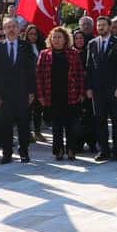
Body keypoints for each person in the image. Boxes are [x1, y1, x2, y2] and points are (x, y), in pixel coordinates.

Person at [0, 17, 36, 164]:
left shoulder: (26, 46)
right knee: (6, 126)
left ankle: (24, 152)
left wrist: (31, 92)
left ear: (19, 29)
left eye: (14, 26)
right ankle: (7, 154)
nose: (11, 29)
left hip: (23, 94)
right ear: (4, 30)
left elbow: (31, 71)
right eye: (8, 27)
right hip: (4, 95)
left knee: (23, 125)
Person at [36, 25, 84, 160]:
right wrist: (40, 95)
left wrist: (81, 93)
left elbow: (80, 73)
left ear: (65, 39)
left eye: (59, 37)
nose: (56, 40)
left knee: (71, 125)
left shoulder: (73, 53)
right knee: (56, 126)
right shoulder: (44, 54)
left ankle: (71, 150)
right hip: (52, 95)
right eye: (54, 37)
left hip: (71, 95)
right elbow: (39, 76)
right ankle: (58, 150)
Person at [85, 16, 117, 161]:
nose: (100, 27)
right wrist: (88, 87)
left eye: (103, 25)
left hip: (114, 90)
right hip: (97, 90)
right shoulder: (92, 43)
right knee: (100, 121)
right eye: (98, 25)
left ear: (109, 26)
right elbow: (89, 67)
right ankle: (104, 151)